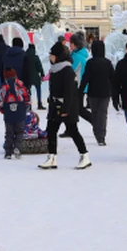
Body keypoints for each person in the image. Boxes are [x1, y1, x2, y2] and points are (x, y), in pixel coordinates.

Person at [38, 42, 90, 170]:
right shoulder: (54, 69)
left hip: (67, 106)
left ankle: (84, 156)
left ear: (59, 56)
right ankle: (52, 157)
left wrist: (66, 109)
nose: (50, 57)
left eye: (52, 55)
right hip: (55, 105)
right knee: (51, 130)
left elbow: (70, 92)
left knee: (73, 131)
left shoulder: (67, 70)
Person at [78, 39, 113, 146]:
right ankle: (101, 136)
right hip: (105, 92)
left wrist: (80, 91)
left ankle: (97, 132)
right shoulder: (108, 63)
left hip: (92, 92)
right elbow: (113, 77)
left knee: (95, 113)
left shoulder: (90, 63)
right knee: (103, 114)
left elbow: (85, 78)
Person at [0, 67, 29, 159]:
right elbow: (26, 97)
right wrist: (26, 108)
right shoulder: (20, 84)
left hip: (9, 114)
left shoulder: (3, 87)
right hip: (20, 112)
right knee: (19, 132)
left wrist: (3, 111)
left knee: (9, 133)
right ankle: (18, 147)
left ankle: (8, 152)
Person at [22, 43, 45, 110]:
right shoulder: (35, 57)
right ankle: (39, 104)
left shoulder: (25, 57)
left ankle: (29, 105)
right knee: (38, 89)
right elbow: (39, 67)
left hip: (27, 77)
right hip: (35, 77)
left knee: (28, 91)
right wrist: (42, 74)